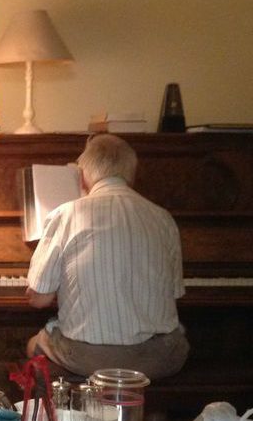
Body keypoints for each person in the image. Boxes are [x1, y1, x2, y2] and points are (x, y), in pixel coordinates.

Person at [24, 134, 189, 380]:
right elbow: (174, 292)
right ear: (131, 174)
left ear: (82, 177)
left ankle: (65, 404)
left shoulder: (66, 214)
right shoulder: (163, 218)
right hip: (160, 357)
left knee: (33, 345)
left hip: (88, 358)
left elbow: (39, 300)